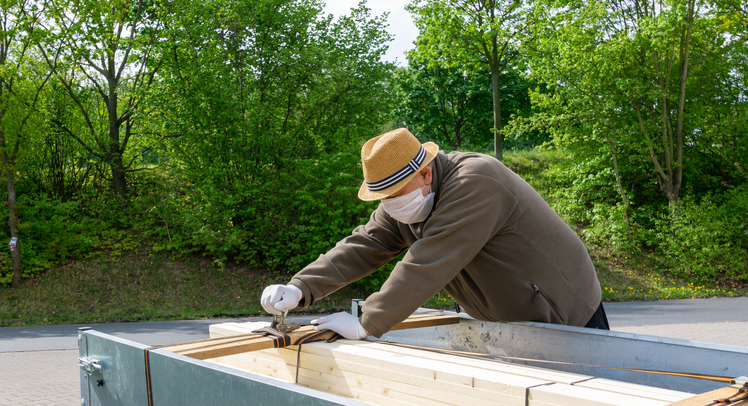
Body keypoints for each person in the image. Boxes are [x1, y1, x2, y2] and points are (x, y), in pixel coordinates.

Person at [260, 127, 608, 340]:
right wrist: (300, 287)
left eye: (396, 194)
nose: (390, 205)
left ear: (426, 174)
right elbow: (366, 243)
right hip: (505, 322)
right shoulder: (409, 199)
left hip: (565, 317)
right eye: (383, 198)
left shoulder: (476, 182)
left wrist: (367, 322)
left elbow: (429, 261)